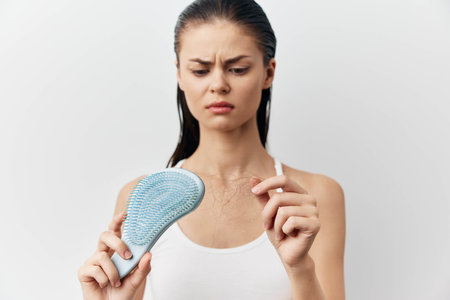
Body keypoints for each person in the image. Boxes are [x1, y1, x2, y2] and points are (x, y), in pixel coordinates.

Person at [78, 0, 346, 299]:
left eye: (238, 69)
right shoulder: (142, 196)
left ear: (268, 73)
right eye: (200, 70)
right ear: (179, 74)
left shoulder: (314, 196)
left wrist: (300, 269)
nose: (218, 84)